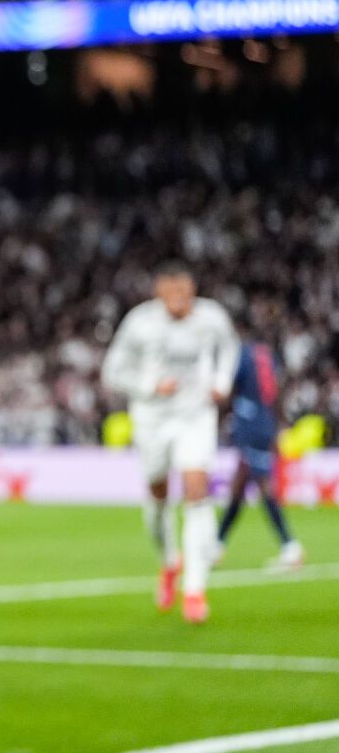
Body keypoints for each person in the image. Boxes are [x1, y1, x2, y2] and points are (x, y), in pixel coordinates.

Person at [100, 262, 238, 623]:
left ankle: (195, 590)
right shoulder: (139, 322)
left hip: (195, 416)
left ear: (192, 290)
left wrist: (221, 381)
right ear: (159, 291)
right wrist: (149, 387)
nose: (178, 298)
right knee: (158, 495)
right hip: (152, 418)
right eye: (170, 291)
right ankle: (168, 562)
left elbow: (230, 349)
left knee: (197, 489)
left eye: (184, 291)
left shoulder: (212, 318)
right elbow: (112, 370)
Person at [214, 337, 302, 571]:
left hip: (250, 422)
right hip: (264, 422)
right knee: (240, 483)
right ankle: (216, 545)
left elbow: (227, 386)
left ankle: (290, 546)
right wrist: (276, 423)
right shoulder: (267, 355)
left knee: (263, 483)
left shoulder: (241, 355)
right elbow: (277, 390)